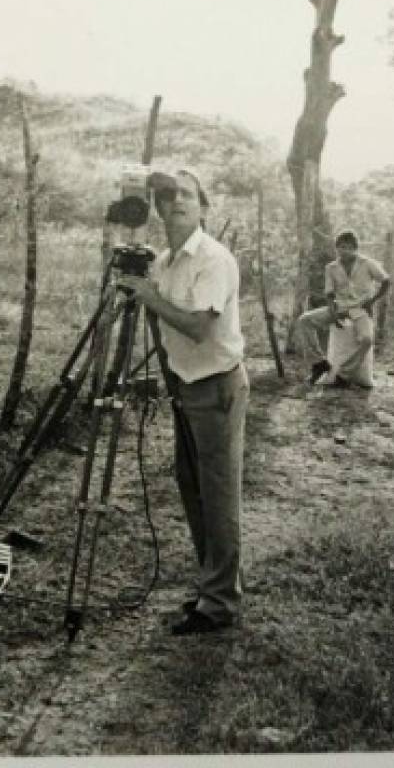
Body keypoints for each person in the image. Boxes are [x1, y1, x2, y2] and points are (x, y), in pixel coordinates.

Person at [118, 168, 248, 635]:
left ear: (203, 206)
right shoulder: (165, 260)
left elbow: (197, 326)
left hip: (216, 386)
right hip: (185, 385)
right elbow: (162, 323)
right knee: (193, 489)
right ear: (157, 205)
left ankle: (219, 605)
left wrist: (148, 298)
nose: (176, 202)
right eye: (168, 195)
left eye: (187, 195)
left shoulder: (214, 259)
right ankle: (211, 583)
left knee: (217, 495)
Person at [293, 230, 391, 386]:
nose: (342, 251)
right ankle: (319, 363)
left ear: (355, 248)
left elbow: (386, 280)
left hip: (360, 309)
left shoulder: (367, 263)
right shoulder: (331, 268)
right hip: (339, 308)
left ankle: (344, 374)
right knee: (305, 320)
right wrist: (333, 312)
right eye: (339, 247)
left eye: (346, 247)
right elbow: (330, 294)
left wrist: (372, 301)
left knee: (367, 339)